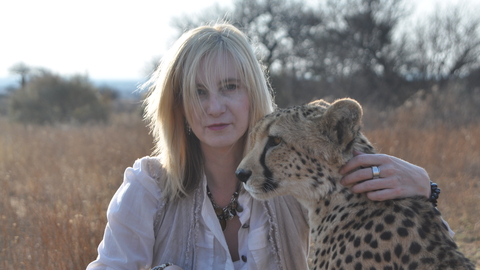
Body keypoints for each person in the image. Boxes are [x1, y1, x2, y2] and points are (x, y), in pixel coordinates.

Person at [87, 23, 442, 270]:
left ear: (252, 94)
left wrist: (426, 191)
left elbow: (416, 254)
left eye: (229, 87)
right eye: (198, 92)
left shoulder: (301, 176)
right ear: (177, 106)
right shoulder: (148, 187)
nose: (214, 107)